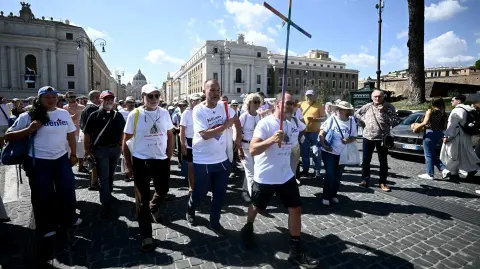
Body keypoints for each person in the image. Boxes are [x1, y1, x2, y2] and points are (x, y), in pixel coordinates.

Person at [240, 91, 318, 268]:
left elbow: (294, 146)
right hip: (265, 176)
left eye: (293, 104)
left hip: (286, 176)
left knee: (296, 209)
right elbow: (253, 149)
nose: (291, 107)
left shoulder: (291, 124)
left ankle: (295, 249)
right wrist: (272, 140)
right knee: (257, 207)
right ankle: (248, 227)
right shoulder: (265, 124)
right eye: (287, 103)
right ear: (277, 104)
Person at [5, 86, 81, 239]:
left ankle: (68, 218)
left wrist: (73, 154)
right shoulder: (28, 116)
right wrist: (29, 130)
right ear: (39, 99)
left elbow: (71, 134)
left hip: (60, 159)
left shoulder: (63, 114)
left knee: (67, 189)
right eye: (47, 97)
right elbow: (8, 136)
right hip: (38, 161)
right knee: (42, 194)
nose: (51, 100)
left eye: (54, 97)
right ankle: (45, 225)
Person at [123, 84, 174, 252]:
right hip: (141, 161)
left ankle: (154, 206)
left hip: (161, 160)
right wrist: (128, 165)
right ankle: (146, 235)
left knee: (164, 190)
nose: (154, 99)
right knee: (142, 200)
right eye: (150, 96)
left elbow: (170, 135)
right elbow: (125, 140)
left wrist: (169, 156)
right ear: (143, 97)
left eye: (156, 95)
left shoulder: (165, 113)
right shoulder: (135, 114)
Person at [186, 79, 241, 233]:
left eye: (218, 90)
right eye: (212, 90)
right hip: (202, 159)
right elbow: (204, 135)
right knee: (201, 191)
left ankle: (214, 220)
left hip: (222, 159)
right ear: (205, 92)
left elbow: (236, 121)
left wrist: (237, 138)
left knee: (220, 192)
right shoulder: (198, 110)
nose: (216, 93)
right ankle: (190, 209)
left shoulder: (225, 106)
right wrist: (225, 126)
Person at [83, 91, 126, 217]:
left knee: (111, 175)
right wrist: (87, 151)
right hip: (101, 150)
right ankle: (105, 203)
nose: (109, 101)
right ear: (100, 100)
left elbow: (123, 133)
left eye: (111, 99)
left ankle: (108, 194)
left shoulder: (118, 116)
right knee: (104, 177)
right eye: (106, 99)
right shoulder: (94, 115)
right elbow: (87, 134)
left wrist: (122, 147)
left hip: (115, 150)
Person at [354, 90, 399, 192]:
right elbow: (356, 114)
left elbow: (395, 121)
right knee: (366, 160)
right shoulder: (367, 106)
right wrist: (363, 121)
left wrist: (383, 113)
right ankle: (365, 180)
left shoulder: (389, 107)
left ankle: (382, 182)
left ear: (383, 97)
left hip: (382, 138)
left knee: (383, 162)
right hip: (368, 137)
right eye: (375, 96)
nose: (377, 98)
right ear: (371, 97)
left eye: (379, 96)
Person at [319, 101, 357, 206]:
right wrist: (324, 145)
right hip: (329, 151)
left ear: (347, 111)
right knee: (330, 174)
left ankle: (333, 195)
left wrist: (348, 141)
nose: (339, 110)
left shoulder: (351, 121)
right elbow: (322, 131)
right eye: (338, 108)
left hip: (343, 153)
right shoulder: (332, 118)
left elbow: (354, 136)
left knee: (338, 175)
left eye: (342, 109)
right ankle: (326, 196)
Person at [440, 95, 480, 183]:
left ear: (458, 101)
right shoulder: (468, 109)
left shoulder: (457, 110)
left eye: (452, 100)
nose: (451, 102)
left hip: (456, 137)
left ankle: (454, 174)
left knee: (453, 155)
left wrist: (447, 136)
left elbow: (452, 126)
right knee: (464, 154)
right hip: (466, 135)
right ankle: (470, 169)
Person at [412, 97, 448, 180]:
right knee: (433, 154)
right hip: (439, 133)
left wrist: (416, 128)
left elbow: (425, 122)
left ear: (432, 102)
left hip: (430, 133)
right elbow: (444, 126)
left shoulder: (430, 110)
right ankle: (443, 169)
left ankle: (430, 174)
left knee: (428, 154)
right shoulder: (443, 113)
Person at [238, 93, 262, 202]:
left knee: (256, 171)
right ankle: (254, 198)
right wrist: (239, 149)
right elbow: (237, 133)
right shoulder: (244, 116)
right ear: (249, 103)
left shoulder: (259, 115)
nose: (257, 104)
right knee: (250, 172)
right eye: (255, 102)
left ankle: (247, 191)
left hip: (256, 148)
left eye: (258, 102)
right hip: (245, 147)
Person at [299, 90, 326, 179]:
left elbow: (324, 118)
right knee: (304, 153)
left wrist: (314, 119)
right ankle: (305, 170)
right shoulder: (301, 104)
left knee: (316, 152)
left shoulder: (319, 106)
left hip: (315, 132)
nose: (309, 97)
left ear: (314, 96)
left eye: (311, 95)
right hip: (303, 132)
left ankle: (317, 171)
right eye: (307, 95)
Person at [180, 93, 202, 193]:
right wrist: (182, 145)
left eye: (198, 100)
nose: (196, 102)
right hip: (190, 141)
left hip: (202, 141)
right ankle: (191, 186)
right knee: (191, 166)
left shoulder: (203, 111)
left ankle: (200, 185)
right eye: (194, 100)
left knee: (201, 165)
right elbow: (182, 129)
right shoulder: (186, 113)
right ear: (190, 101)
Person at [80, 90, 101, 190]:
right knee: (94, 161)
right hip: (93, 139)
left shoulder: (88, 108)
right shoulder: (91, 109)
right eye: (100, 97)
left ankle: (94, 182)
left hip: (90, 138)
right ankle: (94, 183)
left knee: (94, 161)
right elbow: (92, 126)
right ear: (96, 98)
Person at [64, 91, 87, 173]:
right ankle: (68, 168)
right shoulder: (64, 108)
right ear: (66, 98)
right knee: (68, 151)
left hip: (79, 131)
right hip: (69, 133)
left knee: (81, 150)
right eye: (71, 97)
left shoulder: (82, 107)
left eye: (74, 96)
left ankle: (81, 166)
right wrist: (70, 118)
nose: (73, 98)